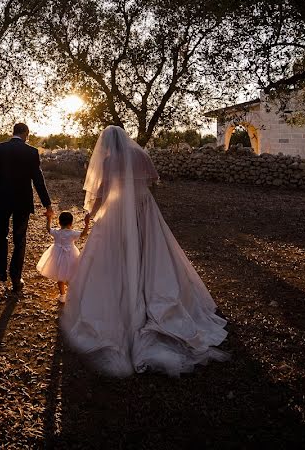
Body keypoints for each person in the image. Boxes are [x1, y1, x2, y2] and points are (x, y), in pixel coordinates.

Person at [60, 125, 229, 377]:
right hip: (144, 207)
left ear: (107, 142)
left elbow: (103, 195)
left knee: (114, 256)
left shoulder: (108, 161)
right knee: (152, 252)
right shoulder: (141, 155)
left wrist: (91, 215)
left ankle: (123, 299)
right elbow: (153, 179)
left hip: (118, 211)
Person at [0, 123, 53, 293]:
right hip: (22, 202)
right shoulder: (31, 152)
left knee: (1, 234)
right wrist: (47, 203)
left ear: (13, 132)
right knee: (19, 239)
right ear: (26, 134)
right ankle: (16, 277)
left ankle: (1, 271)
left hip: (2, 199)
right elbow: (38, 179)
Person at [37, 210, 88, 303]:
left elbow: (48, 229)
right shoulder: (72, 233)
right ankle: (73, 293)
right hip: (70, 255)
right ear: (71, 223)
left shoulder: (56, 232)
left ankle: (62, 295)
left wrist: (49, 218)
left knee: (60, 277)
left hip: (57, 255)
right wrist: (87, 224)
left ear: (59, 222)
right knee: (72, 274)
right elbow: (84, 234)